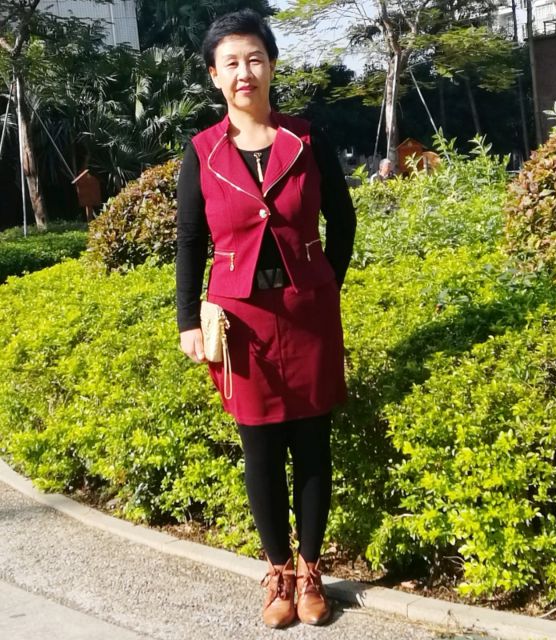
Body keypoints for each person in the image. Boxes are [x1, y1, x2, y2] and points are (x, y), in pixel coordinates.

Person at [175, 9, 356, 630]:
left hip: (307, 314)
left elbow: (343, 218)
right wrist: (188, 320)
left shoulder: (306, 139)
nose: (244, 72)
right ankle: (278, 572)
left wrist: (325, 282)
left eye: (255, 58)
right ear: (214, 76)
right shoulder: (202, 152)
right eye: (231, 62)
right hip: (241, 321)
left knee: (312, 442)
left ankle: (311, 571)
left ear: (272, 66)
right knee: (259, 446)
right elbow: (190, 242)